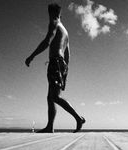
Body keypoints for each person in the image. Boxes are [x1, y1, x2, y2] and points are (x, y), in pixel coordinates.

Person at [25, 3, 85, 133]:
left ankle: (78, 118)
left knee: (55, 96)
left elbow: (47, 41)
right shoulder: (65, 31)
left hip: (55, 62)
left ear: (51, 14)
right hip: (61, 63)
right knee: (50, 96)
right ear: (60, 14)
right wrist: (65, 71)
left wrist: (32, 56)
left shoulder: (54, 23)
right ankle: (50, 126)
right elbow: (68, 54)